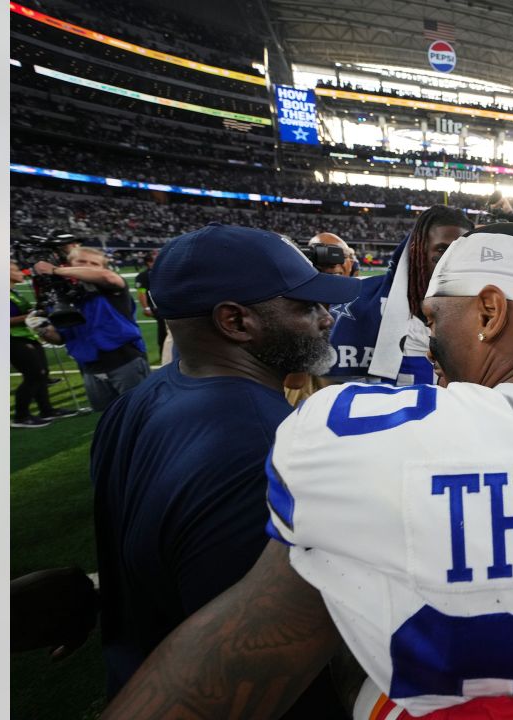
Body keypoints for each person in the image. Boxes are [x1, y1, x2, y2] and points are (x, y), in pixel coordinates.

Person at [102, 225, 513, 719]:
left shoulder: (370, 445)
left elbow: (230, 668)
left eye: (434, 318)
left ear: (489, 312)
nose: (428, 342)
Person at [90, 223, 362, 716]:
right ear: (236, 322)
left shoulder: (134, 405)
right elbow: (257, 656)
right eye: (305, 306)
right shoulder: (275, 445)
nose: (326, 318)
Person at [326, 206, 472, 384]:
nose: (452, 259)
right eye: (442, 250)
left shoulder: (482, 315)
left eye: (460, 251)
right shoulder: (361, 306)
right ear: (417, 252)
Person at [30, 247, 149, 411]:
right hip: (89, 368)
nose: (88, 266)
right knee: (108, 417)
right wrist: (42, 328)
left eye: (94, 263)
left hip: (125, 361)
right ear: (71, 264)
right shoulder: (62, 298)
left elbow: (108, 276)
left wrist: (55, 270)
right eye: (81, 262)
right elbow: (59, 339)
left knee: (140, 412)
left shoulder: (110, 287)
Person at [10, 260, 74, 427]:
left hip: (25, 335)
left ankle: (46, 410)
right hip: (13, 338)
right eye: (16, 270)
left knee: (43, 373)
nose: (21, 273)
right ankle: (21, 416)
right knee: (34, 375)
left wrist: (34, 312)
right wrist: (31, 316)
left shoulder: (13, 292)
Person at [133, 250, 166, 358]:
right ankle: (164, 355)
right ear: (149, 262)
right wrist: (146, 308)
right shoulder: (143, 276)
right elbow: (141, 293)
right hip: (158, 308)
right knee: (164, 332)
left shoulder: (163, 271)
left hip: (168, 305)